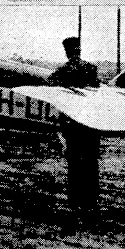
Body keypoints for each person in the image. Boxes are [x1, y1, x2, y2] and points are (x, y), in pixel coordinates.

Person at [48, 37, 100, 227]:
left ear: (67, 51)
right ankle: (91, 206)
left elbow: (53, 89)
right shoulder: (91, 68)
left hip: (73, 126)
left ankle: (76, 207)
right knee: (91, 166)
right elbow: (96, 92)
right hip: (90, 124)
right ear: (79, 49)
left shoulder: (61, 72)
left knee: (75, 168)